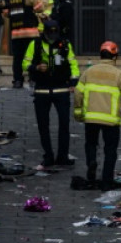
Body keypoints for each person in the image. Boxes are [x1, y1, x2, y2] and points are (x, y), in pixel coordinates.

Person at [74, 41, 121, 190]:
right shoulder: (118, 74)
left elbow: (78, 92)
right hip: (110, 120)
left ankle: (92, 162)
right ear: (115, 56)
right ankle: (107, 180)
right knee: (110, 150)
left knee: (91, 144)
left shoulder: (89, 72)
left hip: (91, 118)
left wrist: (78, 112)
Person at [23, 19, 79, 169]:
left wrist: (74, 82)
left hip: (61, 90)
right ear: (44, 33)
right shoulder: (35, 45)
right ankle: (48, 156)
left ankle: (62, 156)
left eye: (55, 33)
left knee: (64, 125)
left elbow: (73, 64)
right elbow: (25, 63)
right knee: (43, 125)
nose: (53, 36)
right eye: (50, 33)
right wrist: (36, 67)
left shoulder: (65, 45)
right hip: (42, 90)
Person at [8, 0, 51, 89]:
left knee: (35, 56)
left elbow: (43, 7)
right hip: (18, 31)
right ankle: (17, 79)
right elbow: (8, 10)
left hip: (35, 29)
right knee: (18, 57)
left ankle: (33, 79)